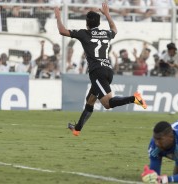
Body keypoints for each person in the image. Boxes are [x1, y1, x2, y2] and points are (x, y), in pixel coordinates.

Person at [54, 2, 147, 136]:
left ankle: (134, 98)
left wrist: (58, 16)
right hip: (107, 70)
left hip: (97, 72)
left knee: (108, 103)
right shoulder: (106, 33)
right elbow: (114, 29)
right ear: (98, 23)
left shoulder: (84, 33)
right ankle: (77, 129)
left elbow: (62, 31)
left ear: (87, 23)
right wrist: (107, 14)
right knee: (90, 100)